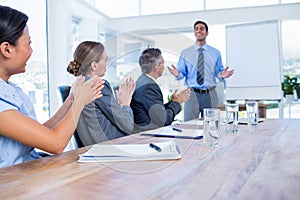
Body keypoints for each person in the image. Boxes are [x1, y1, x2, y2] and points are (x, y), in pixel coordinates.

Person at [0, 5, 103, 168]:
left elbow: (40, 134)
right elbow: (55, 143)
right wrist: (79, 103)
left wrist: (71, 101)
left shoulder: (10, 89)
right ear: (7, 49)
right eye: (29, 43)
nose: (31, 50)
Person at [67, 41, 136, 146]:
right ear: (94, 65)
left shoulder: (77, 85)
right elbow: (127, 125)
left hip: (90, 147)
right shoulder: (98, 85)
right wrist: (125, 103)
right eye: (105, 60)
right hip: (111, 147)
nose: (106, 64)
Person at [168, 20, 234, 121]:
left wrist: (222, 75)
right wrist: (178, 74)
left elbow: (218, 72)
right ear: (194, 32)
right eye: (196, 29)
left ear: (206, 33)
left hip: (210, 94)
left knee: (212, 125)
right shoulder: (186, 53)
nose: (199, 31)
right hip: (191, 94)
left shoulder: (215, 53)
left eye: (202, 29)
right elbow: (182, 73)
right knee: (189, 126)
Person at [130, 48, 190, 133]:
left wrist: (173, 101)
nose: (164, 67)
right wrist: (177, 102)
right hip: (148, 135)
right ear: (156, 67)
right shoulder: (149, 87)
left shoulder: (143, 81)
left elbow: (157, 111)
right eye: (163, 63)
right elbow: (164, 120)